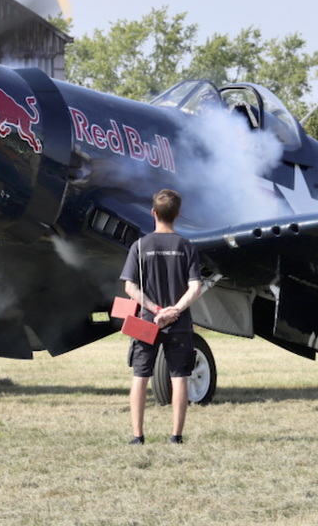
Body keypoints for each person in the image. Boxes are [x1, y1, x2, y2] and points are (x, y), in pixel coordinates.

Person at [119, 189, 204, 445]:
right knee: (179, 377)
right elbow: (195, 288)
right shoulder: (187, 246)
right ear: (177, 214)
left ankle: (138, 436)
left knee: (140, 376)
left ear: (153, 213)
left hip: (146, 322)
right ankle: (176, 436)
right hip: (180, 324)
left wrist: (156, 310)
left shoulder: (140, 246)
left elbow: (129, 288)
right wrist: (174, 311)